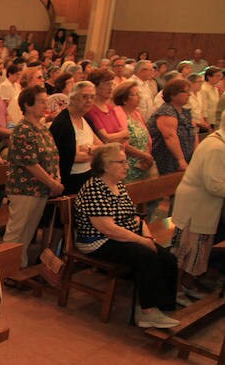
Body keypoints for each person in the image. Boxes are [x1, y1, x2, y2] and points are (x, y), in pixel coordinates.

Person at [74, 144, 178, 329]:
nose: (127, 166)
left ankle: (164, 305)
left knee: (168, 258)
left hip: (124, 235)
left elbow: (135, 216)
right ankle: (147, 312)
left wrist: (148, 238)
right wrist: (142, 241)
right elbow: (107, 229)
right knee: (146, 256)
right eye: (121, 162)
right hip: (98, 241)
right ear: (105, 166)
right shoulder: (94, 189)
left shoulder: (118, 186)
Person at [3, 85, 63, 268]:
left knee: (28, 232)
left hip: (40, 188)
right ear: (28, 105)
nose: (46, 105)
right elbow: (30, 163)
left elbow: (53, 154)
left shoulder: (42, 127)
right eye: (42, 102)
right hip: (24, 189)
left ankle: (18, 265)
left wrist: (56, 178)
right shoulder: (23, 129)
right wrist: (52, 182)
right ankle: (4, 268)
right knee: (17, 232)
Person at [171, 119, 225, 300]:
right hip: (195, 207)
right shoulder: (217, 148)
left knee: (198, 250)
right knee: (186, 250)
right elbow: (214, 185)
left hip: (204, 205)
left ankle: (187, 283)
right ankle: (175, 290)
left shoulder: (219, 143)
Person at [50, 81, 103, 195]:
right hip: (71, 181)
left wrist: (87, 149)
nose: (89, 100)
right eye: (84, 96)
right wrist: (92, 151)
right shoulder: (63, 123)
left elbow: (102, 148)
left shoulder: (86, 120)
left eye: (92, 97)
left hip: (88, 176)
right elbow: (73, 157)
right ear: (72, 98)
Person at [148, 77, 195, 174]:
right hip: (168, 159)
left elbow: (193, 133)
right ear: (173, 95)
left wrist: (195, 156)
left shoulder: (185, 112)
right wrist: (181, 160)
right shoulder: (166, 112)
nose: (189, 94)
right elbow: (170, 137)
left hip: (186, 158)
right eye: (186, 92)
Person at [112, 81, 156, 182]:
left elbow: (147, 138)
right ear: (124, 99)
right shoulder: (118, 112)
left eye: (138, 94)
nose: (139, 97)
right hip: (128, 165)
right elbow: (123, 143)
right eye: (134, 94)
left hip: (143, 163)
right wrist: (144, 155)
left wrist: (147, 157)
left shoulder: (136, 113)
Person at [85, 69, 129, 144]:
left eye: (112, 84)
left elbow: (126, 136)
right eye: (107, 84)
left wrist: (118, 136)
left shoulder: (110, 108)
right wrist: (121, 135)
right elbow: (105, 138)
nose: (111, 87)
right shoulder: (91, 109)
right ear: (95, 86)